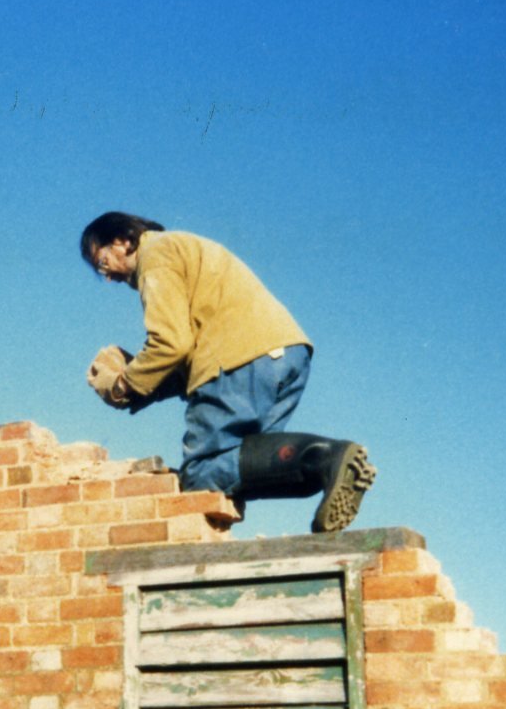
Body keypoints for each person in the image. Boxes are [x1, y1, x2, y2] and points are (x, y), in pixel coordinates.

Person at [80, 212, 376, 533]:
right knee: (251, 463)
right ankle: (328, 467)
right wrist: (139, 392)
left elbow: (171, 343)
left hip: (239, 359)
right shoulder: (184, 249)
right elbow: (186, 361)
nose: (106, 276)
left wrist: (124, 383)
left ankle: (327, 458)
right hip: (286, 354)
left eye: (102, 261)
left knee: (202, 473)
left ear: (123, 241)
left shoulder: (156, 255)